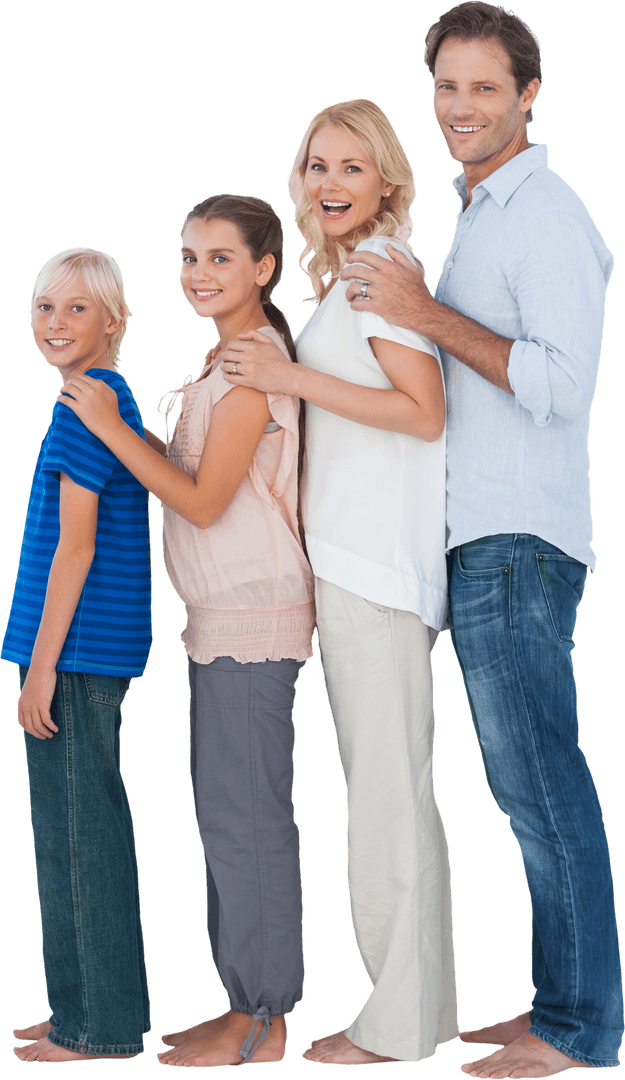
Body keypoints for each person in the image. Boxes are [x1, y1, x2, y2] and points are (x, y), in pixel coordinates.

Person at [336, 4, 623, 1077]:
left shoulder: (544, 214)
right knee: (525, 790)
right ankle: (559, 1004)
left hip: (517, 540)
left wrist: (425, 310)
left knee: (544, 788)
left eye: (484, 89)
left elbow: (557, 386)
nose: (461, 108)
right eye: (447, 88)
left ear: (527, 95)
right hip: (480, 546)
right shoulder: (477, 215)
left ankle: (580, 1030)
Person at [220, 99, 458, 1065]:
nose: (328, 182)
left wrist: (293, 383)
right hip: (352, 571)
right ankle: (421, 1013)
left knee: (384, 800)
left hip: (374, 573)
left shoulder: (378, 271)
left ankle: (395, 1027)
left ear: (387, 184)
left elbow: (424, 413)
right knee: (392, 792)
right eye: (317, 164)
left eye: (351, 167)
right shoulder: (345, 282)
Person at [58, 195, 315, 1068]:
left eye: (218, 258)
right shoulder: (219, 362)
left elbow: (202, 503)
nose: (197, 273)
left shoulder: (254, 367)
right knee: (223, 824)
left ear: (263, 268)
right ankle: (242, 1003)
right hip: (216, 625)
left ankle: (266, 1019)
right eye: (187, 256)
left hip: (254, 622)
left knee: (248, 826)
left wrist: (107, 429)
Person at [2, 248, 152, 1062]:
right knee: (60, 831)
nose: (54, 324)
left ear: (114, 321)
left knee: (84, 834)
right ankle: (74, 1009)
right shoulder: (92, 401)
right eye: (43, 308)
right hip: (72, 648)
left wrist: (41, 665)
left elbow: (76, 549)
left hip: (76, 652)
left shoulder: (86, 406)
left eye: (75, 310)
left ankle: (102, 1027)